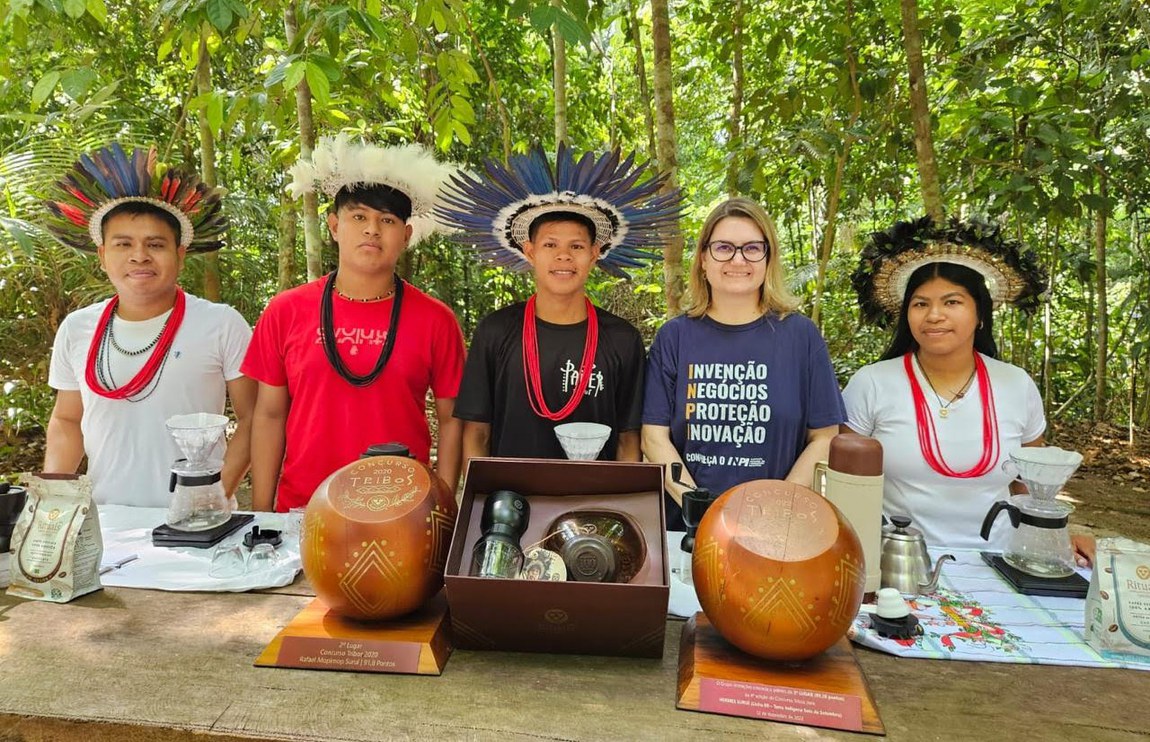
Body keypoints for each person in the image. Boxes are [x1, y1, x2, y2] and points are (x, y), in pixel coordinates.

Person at [843, 216, 1093, 563]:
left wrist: (1054, 543)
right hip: (896, 563)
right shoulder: (872, 383)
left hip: (999, 562)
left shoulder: (1016, 384)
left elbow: (1029, 487)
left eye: (952, 302)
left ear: (980, 314)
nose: (934, 315)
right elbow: (846, 483)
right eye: (920, 304)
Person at [242, 135, 465, 512]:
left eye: (388, 220)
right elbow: (268, 415)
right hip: (303, 510)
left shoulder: (436, 320)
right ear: (333, 225)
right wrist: (263, 514)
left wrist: (441, 512)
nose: (372, 230)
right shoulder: (286, 310)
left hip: (401, 513)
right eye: (358, 216)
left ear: (406, 235)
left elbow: (452, 422)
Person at [42, 143, 255, 507]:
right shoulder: (77, 329)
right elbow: (66, 420)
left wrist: (216, 494)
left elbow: (255, 420)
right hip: (107, 523)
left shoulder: (222, 324)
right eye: (123, 244)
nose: (139, 256)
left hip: (199, 525)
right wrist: (53, 502)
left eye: (155, 244)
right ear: (103, 254)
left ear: (180, 254)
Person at [438, 144, 682, 463]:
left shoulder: (623, 340)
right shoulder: (495, 331)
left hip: (595, 506)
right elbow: (477, 433)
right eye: (550, 244)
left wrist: (618, 507)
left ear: (595, 254)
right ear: (529, 252)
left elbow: (628, 440)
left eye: (577, 246)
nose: (563, 256)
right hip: (513, 504)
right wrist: (480, 504)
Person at [641, 197, 845, 527]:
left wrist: (776, 509)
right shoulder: (674, 337)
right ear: (704, 259)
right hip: (687, 531)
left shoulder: (800, 336)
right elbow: (653, 438)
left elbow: (824, 437)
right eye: (724, 248)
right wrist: (702, 512)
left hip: (779, 530)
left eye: (752, 248)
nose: (738, 259)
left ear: (768, 259)